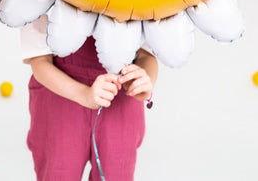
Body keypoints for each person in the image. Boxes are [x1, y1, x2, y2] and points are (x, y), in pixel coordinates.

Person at [22, 15, 158, 181]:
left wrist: (144, 80)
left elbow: (147, 54)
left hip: (119, 101)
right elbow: (40, 61)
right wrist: (84, 95)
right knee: (58, 172)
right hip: (59, 97)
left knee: (116, 174)